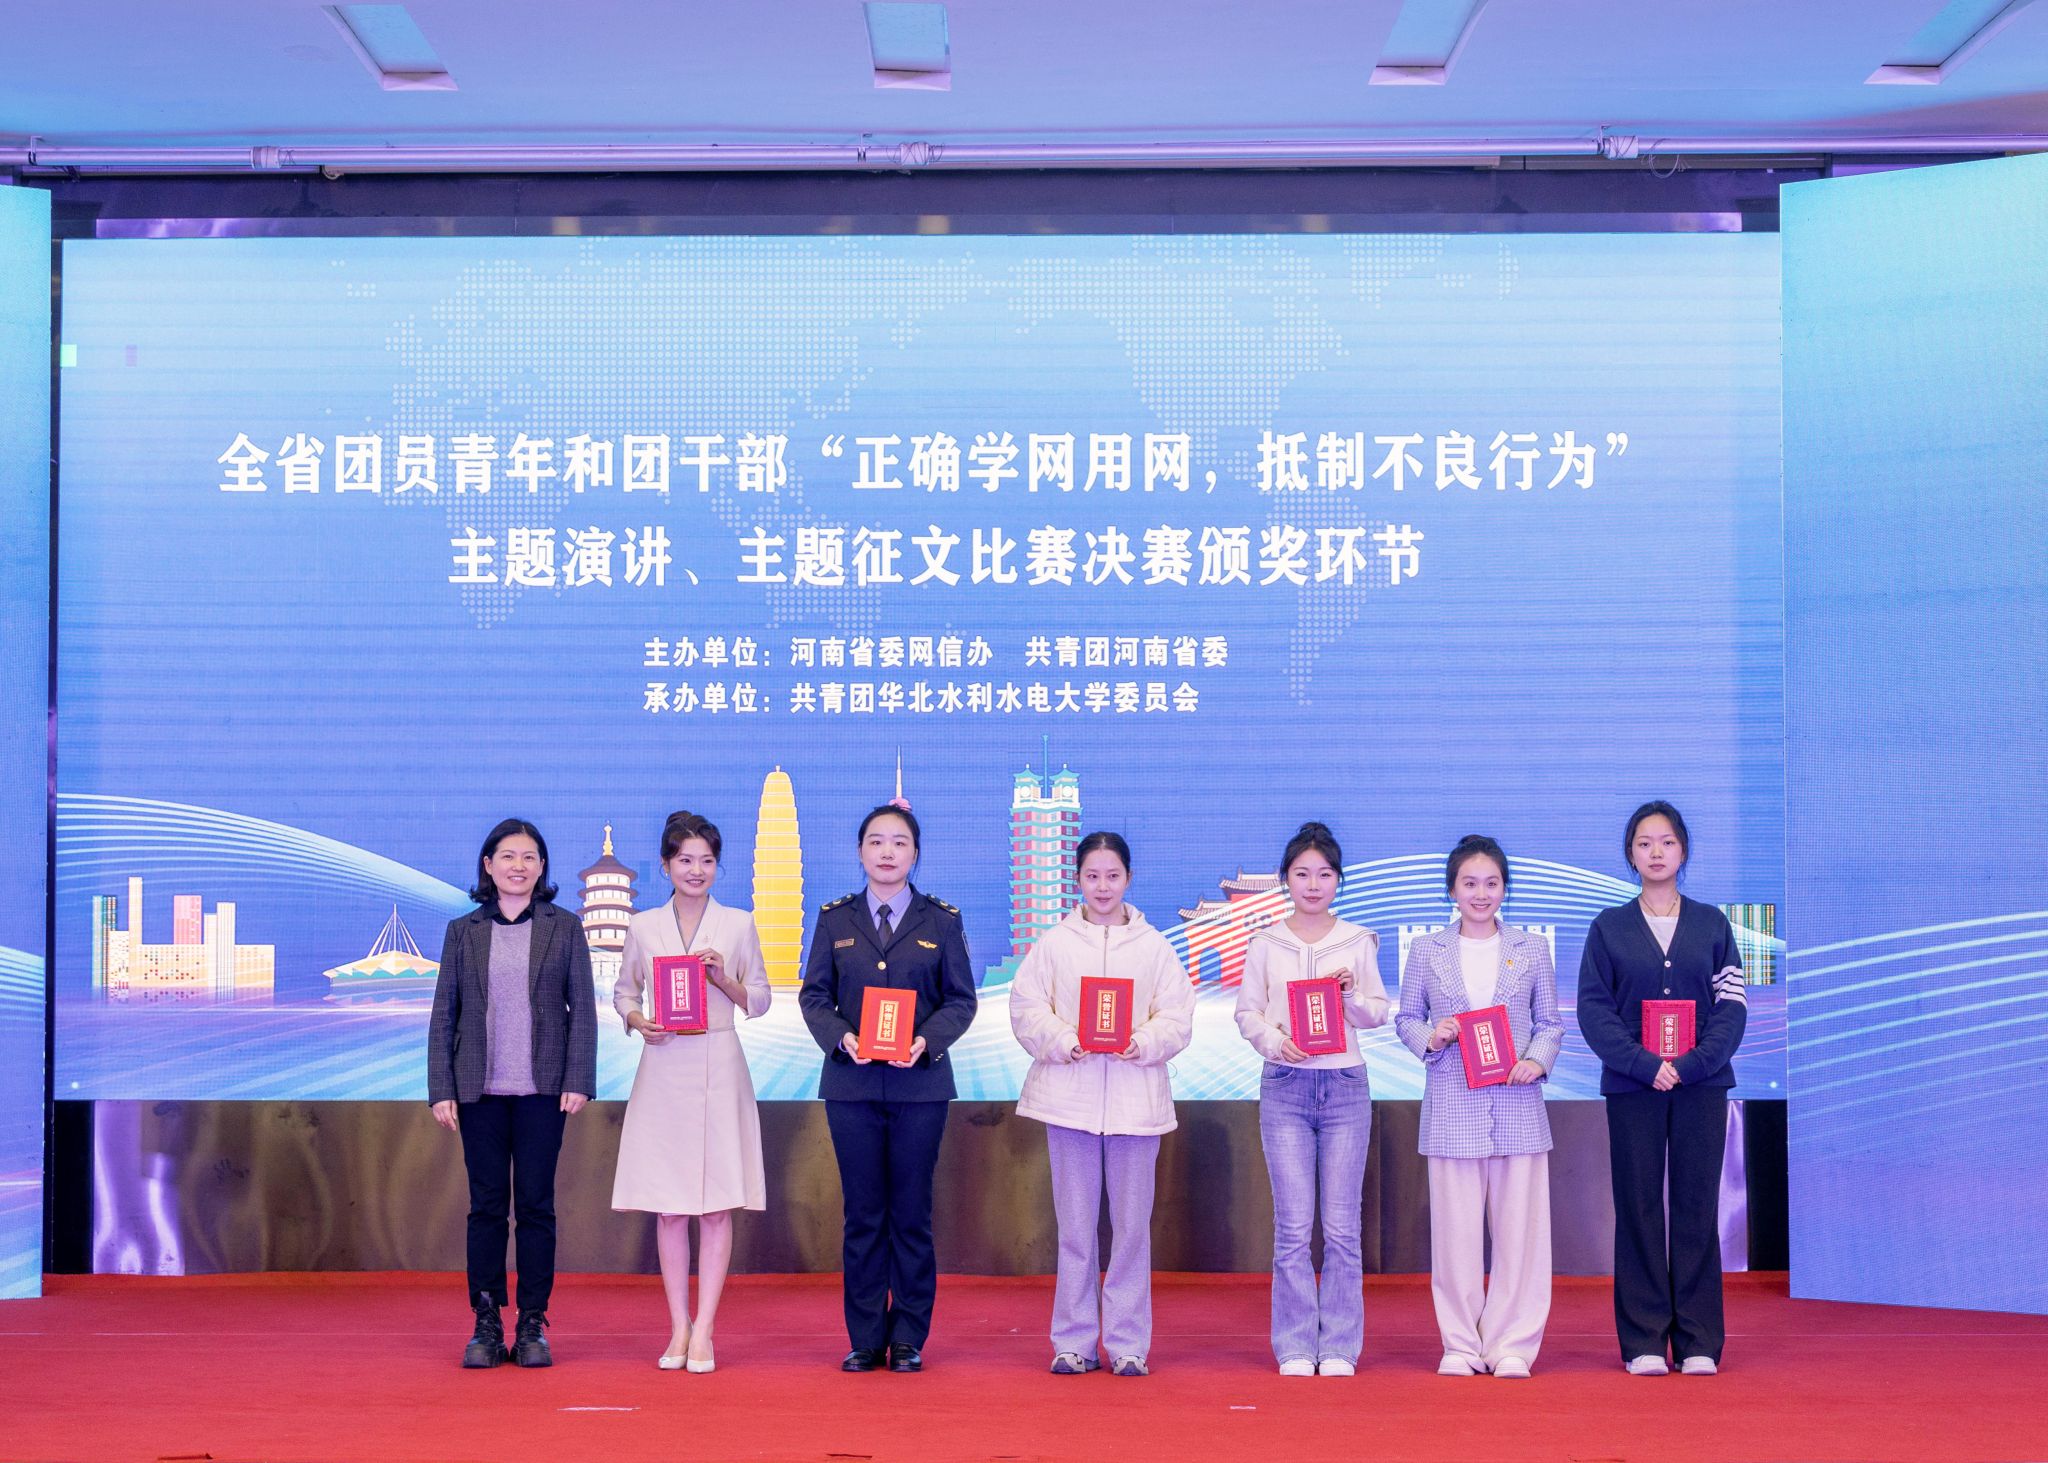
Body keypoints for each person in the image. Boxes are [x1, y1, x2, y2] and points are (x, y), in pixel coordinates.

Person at [798, 803, 978, 1373]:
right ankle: (864, 1336)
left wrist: (926, 1041)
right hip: (851, 1085)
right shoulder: (835, 919)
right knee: (863, 1214)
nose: (887, 852)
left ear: (915, 853)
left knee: (911, 1214)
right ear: (860, 852)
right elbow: (814, 996)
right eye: (876, 841)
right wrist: (841, 1037)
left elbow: (961, 1000)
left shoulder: (941, 920)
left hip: (920, 1088)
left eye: (899, 842)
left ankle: (908, 1337)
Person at [1010, 831, 1195, 1377]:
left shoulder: (1154, 947)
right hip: (1069, 1102)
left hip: (1136, 1107)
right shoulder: (1054, 944)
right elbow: (1026, 1008)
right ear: (1077, 880)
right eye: (1092, 876)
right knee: (1075, 1230)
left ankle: (1129, 1343)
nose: (1103, 886)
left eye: (1113, 876)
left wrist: (1144, 1042)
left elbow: (1178, 1016)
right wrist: (1067, 1041)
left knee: (1132, 1231)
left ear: (1129, 879)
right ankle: (1073, 1342)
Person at [1576, 800, 1748, 1377]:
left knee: (1697, 1207)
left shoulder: (1713, 924)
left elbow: (1731, 1005)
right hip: (1633, 1088)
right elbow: (1594, 1010)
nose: (1656, 852)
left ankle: (1699, 1341)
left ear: (1684, 851)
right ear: (1630, 854)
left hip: (1702, 1087)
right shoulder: (1608, 927)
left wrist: (1694, 1064)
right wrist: (1642, 1064)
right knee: (1639, 1207)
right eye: (1645, 843)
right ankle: (1643, 1340)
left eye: (1667, 842)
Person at [427, 817, 597, 1370]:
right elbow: (444, 1014)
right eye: (507, 856)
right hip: (478, 1090)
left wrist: (578, 1078)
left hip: (543, 1090)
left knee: (536, 1207)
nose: (518, 866)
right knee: (486, 1207)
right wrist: (441, 1087)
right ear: (488, 865)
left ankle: (531, 1322)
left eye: (528, 857)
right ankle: (485, 1321)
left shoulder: (564, 928)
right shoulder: (464, 931)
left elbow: (583, 1010)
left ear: (542, 867)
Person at [1394, 835, 1563, 1379]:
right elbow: (1406, 1018)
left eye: (1492, 883)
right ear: (1452, 889)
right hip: (1453, 1107)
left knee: (1521, 1236)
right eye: (1470, 883)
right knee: (1456, 1237)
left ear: (1505, 888)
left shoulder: (1531, 948)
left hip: (1517, 1105)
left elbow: (1550, 1023)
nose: (1481, 893)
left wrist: (1536, 1060)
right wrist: (1432, 1036)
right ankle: (1461, 1345)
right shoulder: (1427, 950)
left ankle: (1513, 1345)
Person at [611, 810, 773, 1373]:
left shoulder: (738, 924)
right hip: (663, 1065)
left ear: (717, 866)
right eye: (685, 860)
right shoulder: (643, 926)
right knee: (670, 1209)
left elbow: (761, 998)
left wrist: (723, 978)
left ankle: (705, 1329)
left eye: (706, 860)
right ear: (666, 865)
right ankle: (677, 1325)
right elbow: (624, 991)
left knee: (717, 1206)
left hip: (719, 1063)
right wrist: (638, 1020)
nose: (696, 870)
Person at [1233, 821, 1390, 1377]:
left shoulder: (1358, 940)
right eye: (1302, 874)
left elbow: (1378, 1011)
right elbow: (1246, 1012)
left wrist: (1350, 996)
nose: (1314, 884)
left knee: (1343, 1228)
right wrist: (1276, 1043)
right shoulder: (1265, 943)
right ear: (1285, 880)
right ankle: (1296, 1343)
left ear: (1338, 880)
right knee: (1294, 1227)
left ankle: (1341, 1345)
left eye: (1324, 874)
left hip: (1345, 1086)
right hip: (1285, 1087)